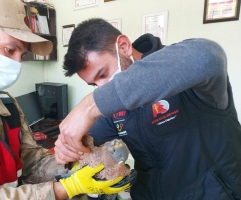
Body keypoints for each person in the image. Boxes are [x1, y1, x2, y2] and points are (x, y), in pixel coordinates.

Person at [0, 3, 130, 199]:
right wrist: (69, 187)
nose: (18, 62)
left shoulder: (6, 104)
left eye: (22, 54)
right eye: (10, 49)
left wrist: (74, 165)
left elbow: (32, 164)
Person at [55, 18, 241, 200]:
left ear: (124, 46)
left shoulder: (182, 71)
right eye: (93, 84)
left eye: (103, 74)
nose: (102, 88)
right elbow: (87, 140)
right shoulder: (112, 108)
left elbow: (207, 56)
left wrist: (89, 105)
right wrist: (68, 146)